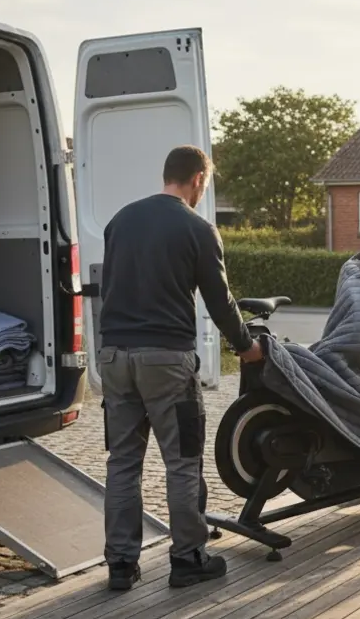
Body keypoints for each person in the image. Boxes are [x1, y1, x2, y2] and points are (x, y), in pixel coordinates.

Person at [96, 145, 263, 591]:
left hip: (114, 356)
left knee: (123, 462)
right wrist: (246, 348)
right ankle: (188, 558)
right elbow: (220, 302)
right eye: (204, 183)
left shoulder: (120, 221)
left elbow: (108, 288)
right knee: (182, 461)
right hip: (165, 359)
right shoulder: (198, 229)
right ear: (197, 179)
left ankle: (120, 564)